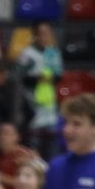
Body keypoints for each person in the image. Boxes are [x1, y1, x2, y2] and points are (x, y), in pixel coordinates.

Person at [17, 20, 62, 156]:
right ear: (35, 35)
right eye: (41, 34)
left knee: (51, 148)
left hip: (49, 107)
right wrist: (38, 78)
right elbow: (20, 77)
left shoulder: (53, 53)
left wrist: (50, 78)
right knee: (33, 146)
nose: (44, 37)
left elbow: (59, 76)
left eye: (47, 34)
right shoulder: (26, 54)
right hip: (32, 106)